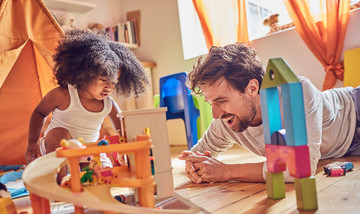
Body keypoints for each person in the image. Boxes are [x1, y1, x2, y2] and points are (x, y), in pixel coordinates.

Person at [179, 42, 360, 184]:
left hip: (354, 110)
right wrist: (193, 165)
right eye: (210, 103)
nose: (215, 115)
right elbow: (198, 154)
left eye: (221, 101)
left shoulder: (296, 91)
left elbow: (301, 167)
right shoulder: (225, 119)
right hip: (343, 149)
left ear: (251, 88)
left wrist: (226, 171)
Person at [25, 30, 149, 170]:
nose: (109, 87)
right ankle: (57, 181)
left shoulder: (108, 104)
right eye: (103, 80)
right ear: (85, 74)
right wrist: (32, 142)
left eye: (114, 82)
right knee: (61, 135)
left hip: (88, 150)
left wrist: (124, 150)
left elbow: (123, 128)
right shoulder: (64, 95)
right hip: (56, 147)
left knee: (100, 174)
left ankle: (83, 176)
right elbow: (39, 113)